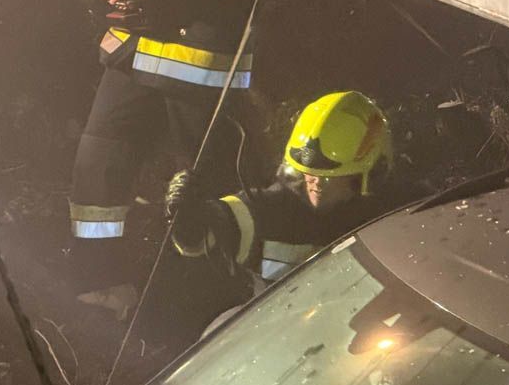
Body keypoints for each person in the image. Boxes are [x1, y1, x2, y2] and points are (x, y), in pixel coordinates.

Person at [69, 0, 279, 252]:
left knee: (202, 185)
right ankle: (98, 271)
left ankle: (209, 283)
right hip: (140, 44)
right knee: (98, 162)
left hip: (199, 60)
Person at [164, 91, 404, 290]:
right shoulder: (270, 209)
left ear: (367, 174)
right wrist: (189, 220)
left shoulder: (396, 211)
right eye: (309, 172)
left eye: (330, 176)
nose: (316, 182)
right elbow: (212, 230)